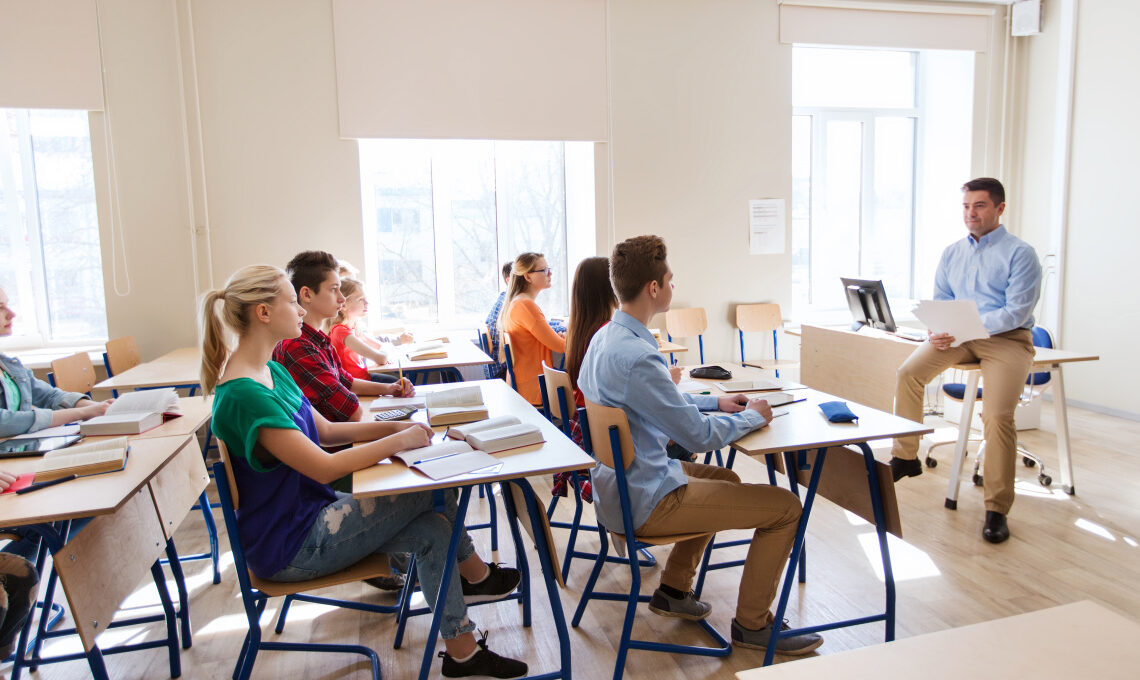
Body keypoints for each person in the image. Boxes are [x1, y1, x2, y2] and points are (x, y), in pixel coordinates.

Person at [201, 264, 527, 678]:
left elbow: (327, 429)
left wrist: (398, 427)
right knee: (437, 491)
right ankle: (475, 577)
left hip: (310, 517)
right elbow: (323, 466)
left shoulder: (271, 370)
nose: (300, 311)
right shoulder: (245, 394)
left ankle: (463, 651)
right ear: (263, 313)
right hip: (293, 545)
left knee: (435, 530)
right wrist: (398, 442)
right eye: (290, 302)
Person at [578, 235, 822, 655]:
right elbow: (699, 437)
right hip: (648, 501)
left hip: (618, 489)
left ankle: (673, 589)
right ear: (653, 288)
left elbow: (654, 401)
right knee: (786, 508)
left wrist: (716, 401)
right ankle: (753, 625)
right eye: (670, 279)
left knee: (725, 477)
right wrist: (752, 415)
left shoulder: (605, 339)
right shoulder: (639, 353)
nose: (674, 285)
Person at [890, 178, 1042, 545]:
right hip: (959, 337)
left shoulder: (1021, 254)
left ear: (1000, 208)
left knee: (997, 415)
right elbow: (943, 299)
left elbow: (1014, 311)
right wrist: (939, 328)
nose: (971, 213)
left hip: (1006, 339)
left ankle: (996, 508)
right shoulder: (952, 252)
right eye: (966, 206)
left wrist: (968, 327)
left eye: (980, 206)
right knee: (908, 373)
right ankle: (906, 456)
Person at [272, 251, 414, 424]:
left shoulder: (319, 340)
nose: (341, 298)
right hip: (334, 445)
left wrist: (391, 388)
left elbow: (346, 381)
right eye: (334, 290)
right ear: (307, 294)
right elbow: (352, 412)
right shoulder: (298, 347)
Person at [0, 288, 113, 438]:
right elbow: (4, 422)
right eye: (0, 308)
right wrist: (83, 412)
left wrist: (102, 407)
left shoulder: (8, 364)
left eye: (7, 305)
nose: (12, 314)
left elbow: (48, 396)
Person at [500, 253, 565, 405]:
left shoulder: (518, 303)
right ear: (528, 277)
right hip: (534, 387)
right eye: (544, 270)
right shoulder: (526, 305)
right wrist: (566, 338)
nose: (550, 273)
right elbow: (560, 347)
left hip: (524, 383)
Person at [327, 277, 404, 385]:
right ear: (344, 305)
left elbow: (379, 346)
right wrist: (385, 355)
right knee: (399, 384)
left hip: (364, 379)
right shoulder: (340, 331)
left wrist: (385, 352)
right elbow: (380, 358)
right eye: (361, 299)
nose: (367, 303)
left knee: (401, 383)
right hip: (355, 385)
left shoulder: (355, 327)